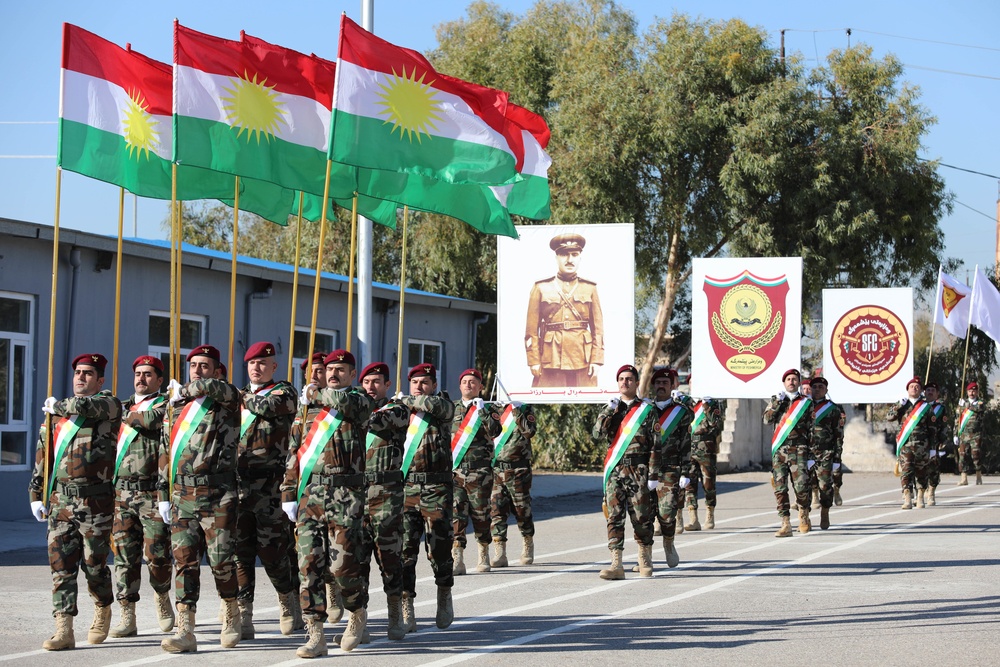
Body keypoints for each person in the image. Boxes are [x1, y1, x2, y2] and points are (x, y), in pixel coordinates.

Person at [29, 353, 122, 651]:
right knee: (61, 566)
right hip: (60, 501)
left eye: (88, 373)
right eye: (78, 372)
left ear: (100, 379)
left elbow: (85, 406)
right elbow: (44, 457)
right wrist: (35, 494)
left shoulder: (108, 405)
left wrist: (57, 406)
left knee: (94, 564)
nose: (81, 377)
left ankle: (103, 606)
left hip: (95, 502)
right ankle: (64, 628)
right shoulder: (56, 415)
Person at [285, 349, 374, 656]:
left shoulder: (359, 401)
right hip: (311, 495)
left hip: (346, 497)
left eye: (340, 369)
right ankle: (315, 634)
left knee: (342, 567)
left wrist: (317, 394)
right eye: (330, 369)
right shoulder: (308, 408)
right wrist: (287, 493)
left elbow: (343, 402)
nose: (333, 373)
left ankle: (357, 612)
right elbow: (294, 452)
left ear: (352, 374)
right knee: (308, 566)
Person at [160, 344, 242, 653]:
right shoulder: (178, 407)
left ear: (218, 372)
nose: (197, 370)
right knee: (185, 563)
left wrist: (187, 388)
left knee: (221, 561)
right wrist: (162, 494)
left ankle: (231, 610)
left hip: (218, 494)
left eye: (204, 366)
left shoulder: (227, 401)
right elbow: (165, 452)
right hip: (182, 494)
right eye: (193, 365)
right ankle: (186, 628)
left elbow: (214, 389)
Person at [368, 363, 456, 633]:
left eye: (425, 382)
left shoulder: (441, 406)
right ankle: (407, 606)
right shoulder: (401, 411)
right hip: (406, 490)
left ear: (433, 384)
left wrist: (408, 399)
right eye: (415, 382)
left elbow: (440, 409)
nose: (419, 386)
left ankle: (443, 593)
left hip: (436, 488)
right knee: (405, 552)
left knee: (439, 549)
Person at [233, 342, 300, 639]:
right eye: (252, 363)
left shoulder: (283, 392)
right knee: (240, 552)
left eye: (263, 363)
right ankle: (244, 613)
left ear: (274, 367)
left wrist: (237, 396)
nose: (256, 368)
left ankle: (287, 601)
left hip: (270, 486)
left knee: (272, 551)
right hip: (237, 485)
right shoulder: (238, 397)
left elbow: (266, 407)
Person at [109, 355, 173, 639]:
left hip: (151, 492)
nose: (141, 378)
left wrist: (120, 412)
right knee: (124, 557)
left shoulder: (164, 405)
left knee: (157, 554)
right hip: (121, 493)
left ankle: (161, 596)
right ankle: (127, 613)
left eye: (148, 374)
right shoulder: (122, 405)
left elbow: (148, 421)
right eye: (138, 373)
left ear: (159, 380)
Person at [592, 364, 659, 579]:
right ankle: (617, 564)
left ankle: (644, 558)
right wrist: (609, 411)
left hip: (638, 469)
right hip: (615, 470)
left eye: (629, 379)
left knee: (641, 517)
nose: (625, 382)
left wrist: (654, 474)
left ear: (637, 383)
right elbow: (597, 435)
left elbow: (656, 444)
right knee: (614, 516)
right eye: (621, 379)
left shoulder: (647, 410)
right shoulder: (611, 408)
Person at [357, 361, 407, 640]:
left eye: (376, 382)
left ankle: (394, 615)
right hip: (355, 493)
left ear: (387, 385)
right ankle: (359, 619)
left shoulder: (396, 410)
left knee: (389, 557)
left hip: (386, 494)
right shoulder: (352, 410)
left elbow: (374, 421)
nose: (371, 387)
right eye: (366, 382)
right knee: (357, 559)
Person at [524, 232, 604, 387]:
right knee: (545, 399)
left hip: (583, 360)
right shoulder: (541, 288)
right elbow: (531, 331)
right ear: (556, 257)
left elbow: (598, 330)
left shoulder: (590, 288)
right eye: (564, 255)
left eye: (574, 254)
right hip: (550, 359)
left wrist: (597, 359)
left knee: (585, 401)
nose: (569, 260)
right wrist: (533, 360)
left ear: (580, 257)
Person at [451, 368, 496, 575]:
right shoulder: (451, 408)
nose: (468, 385)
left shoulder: (488, 408)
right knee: (456, 514)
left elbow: (496, 431)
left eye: (473, 382)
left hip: (480, 472)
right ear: (460, 386)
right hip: (455, 471)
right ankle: (457, 557)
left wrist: (483, 412)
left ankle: (483, 552)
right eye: (465, 381)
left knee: (481, 514)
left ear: (480, 387)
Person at [648, 368, 692, 570]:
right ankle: (645, 556)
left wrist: (686, 472)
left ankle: (668, 542)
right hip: (645, 470)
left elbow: (686, 443)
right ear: (653, 385)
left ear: (672, 385)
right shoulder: (644, 410)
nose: (661, 386)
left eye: (665, 382)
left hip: (670, 469)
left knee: (666, 513)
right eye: (658, 382)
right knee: (643, 515)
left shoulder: (681, 413)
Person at [763, 369, 814, 537]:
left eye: (794, 379)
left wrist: (811, 456)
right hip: (780, 450)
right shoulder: (776, 400)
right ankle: (785, 522)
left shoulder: (806, 402)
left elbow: (813, 429)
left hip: (799, 450)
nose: (791, 382)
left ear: (799, 382)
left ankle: (804, 514)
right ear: (784, 383)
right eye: (788, 379)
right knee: (780, 487)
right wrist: (778, 403)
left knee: (801, 487)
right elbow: (767, 420)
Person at [487, 397, 537, 568]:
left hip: (518, 470)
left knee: (522, 509)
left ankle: (527, 542)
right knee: (496, 510)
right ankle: (500, 552)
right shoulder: (492, 409)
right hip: (496, 469)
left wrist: (516, 411)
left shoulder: (524, 409)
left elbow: (529, 431)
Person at [886, 376, 932, 509]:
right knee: (906, 472)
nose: (914, 388)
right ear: (908, 389)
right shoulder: (902, 404)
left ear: (921, 390)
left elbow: (932, 428)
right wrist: (898, 406)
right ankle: (907, 497)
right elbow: (889, 417)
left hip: (922, 445)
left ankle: (920, 496)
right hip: (906, 444)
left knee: (921, 472)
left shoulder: (925, 407)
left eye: (917, 387)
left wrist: (933, 447)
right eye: (912, 386)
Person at [684, 388, 725, 532]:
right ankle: (693, 518)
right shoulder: (686, 402)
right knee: (689, 484)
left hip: (706, 450)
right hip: (689, 449)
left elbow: (717, 426)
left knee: (708, 484)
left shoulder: (712, 404)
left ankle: (709, 514)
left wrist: (707, 408)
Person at [808, 377, 843, 530]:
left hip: (826, 453)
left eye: (820, 386)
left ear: (826, 390)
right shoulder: (803, 407)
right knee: (803, 486)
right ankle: (804, 516)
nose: (817, 389)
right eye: (814, 386)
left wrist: (837, 457)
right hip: (806, 452)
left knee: (825, 485)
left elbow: (838, 435)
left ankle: (825, 511)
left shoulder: (833, 409)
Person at [922, 381, 949, 504]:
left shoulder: (940, 408)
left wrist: (943, 440)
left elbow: (944, 425)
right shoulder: (919, 406)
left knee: (933, 466)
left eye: (933, 390)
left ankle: (932, 490)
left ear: (937, 394)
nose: (930, 392)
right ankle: (921, 491)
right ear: (924, 392)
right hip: (920, 440)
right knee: (920, 466)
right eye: (928, 390)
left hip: (935, 441)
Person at [955, 381, 984, 486]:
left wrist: (967, 406)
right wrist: (955, 434)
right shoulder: (962, 405)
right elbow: (957, 420)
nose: (972, 392)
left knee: (975, 455)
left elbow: (978, 409)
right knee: (962, 455)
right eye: (970, 390)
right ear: (967, 392)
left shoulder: (980, 403)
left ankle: (978, 475)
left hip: (975, 434)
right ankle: (964, 478)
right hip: (963, 434)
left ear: (977, 392)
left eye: (974, 390)